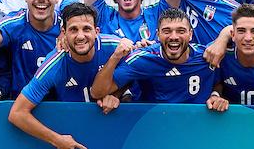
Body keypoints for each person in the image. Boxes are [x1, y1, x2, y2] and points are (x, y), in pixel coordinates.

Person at [7, 3, 124, 149]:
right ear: (64, 33)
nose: (80, 36)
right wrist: (56, 140)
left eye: (86, 29)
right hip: (73, 137)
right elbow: (17, 113)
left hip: (112, 135)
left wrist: (116, 94)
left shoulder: (115, 47)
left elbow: (138, 73)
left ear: (96, 31)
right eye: (73, 30)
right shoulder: (54, 65)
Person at [92, 8, 225, 109]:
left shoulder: (206, 57)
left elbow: (218, 81)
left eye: (181, 31)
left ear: (190, 35)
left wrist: (215, 95)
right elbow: (97, 92)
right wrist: (115, 57)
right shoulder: (143, 59)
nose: (174, 36)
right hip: (154, 129)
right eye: (167, 31)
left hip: (196, 129)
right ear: (158, 35)